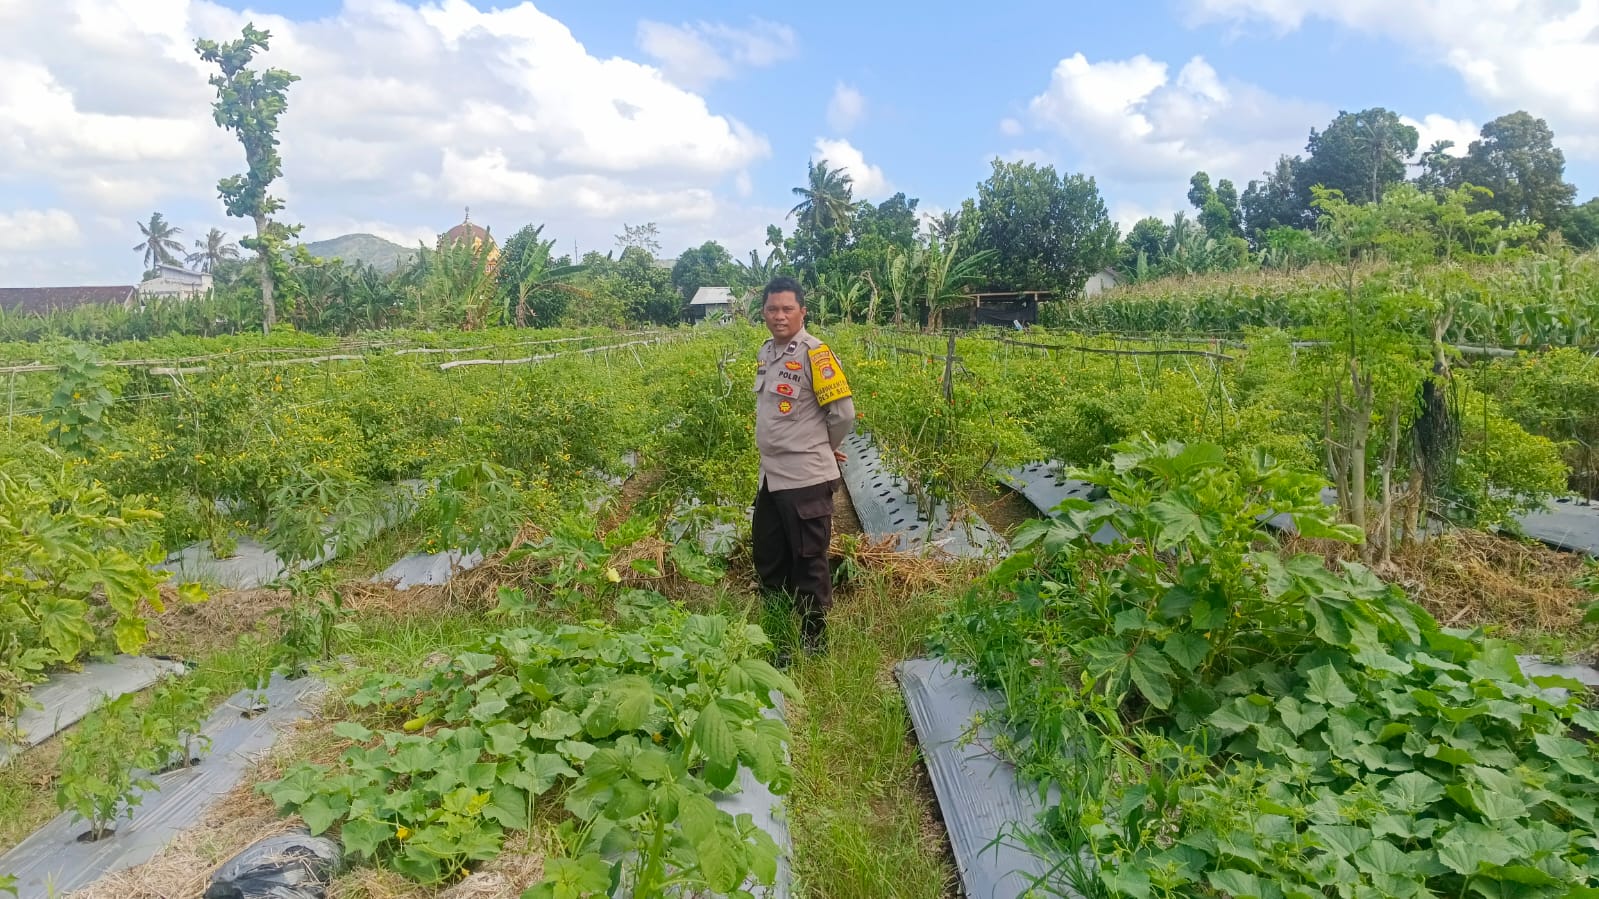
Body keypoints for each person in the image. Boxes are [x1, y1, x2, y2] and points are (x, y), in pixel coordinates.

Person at [751, 276, 855, 655]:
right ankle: (779, 638)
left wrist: (823, 448)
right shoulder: (767, 352)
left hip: (805, 479)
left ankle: (814, 645)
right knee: (769, 557)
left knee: (808, 563)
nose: (779, 316)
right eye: (772, 309)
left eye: (787, 309)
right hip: (771, 478)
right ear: (763, 312)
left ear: (802, 312)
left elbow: (842, 414)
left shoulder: (816, 354)